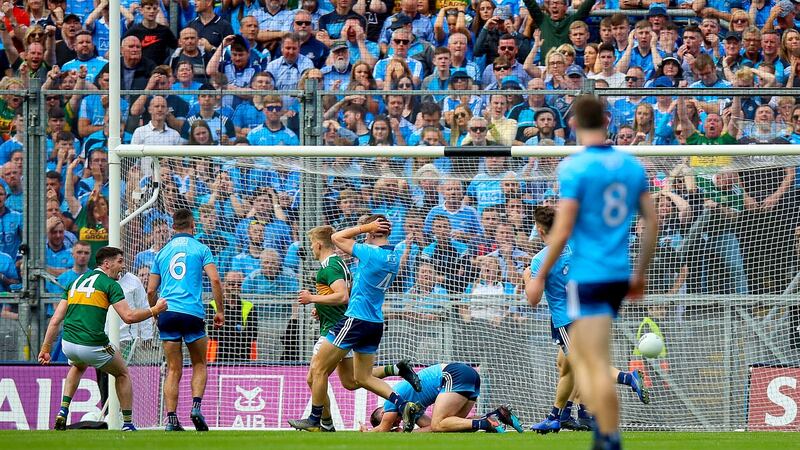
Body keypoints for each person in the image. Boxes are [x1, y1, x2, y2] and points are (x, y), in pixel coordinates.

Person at [529, 95, 657, 450]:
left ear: (572, 124)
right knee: (582, 360)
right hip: (618, 273)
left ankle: (606, 434)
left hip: (587, 276)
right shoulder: (631, 166)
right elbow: (652, 222)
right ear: (607, 121)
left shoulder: (574, 167)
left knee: (588, 364)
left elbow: (564, 227)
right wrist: (640, 273)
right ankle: (589, 425)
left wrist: (540, 272)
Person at [288, 215, 423, 432]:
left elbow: (336, 237)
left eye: (369, 231)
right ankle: (405, 405)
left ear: (371, 232)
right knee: (361, 378)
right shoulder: (394, 257)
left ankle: (315, 420)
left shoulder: (370, 253)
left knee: (319, 369)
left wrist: (364, 227)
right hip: (375, 322)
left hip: (356, 319)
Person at [525, 206, 650, 435]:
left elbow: (533, 299)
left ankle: (627, 378)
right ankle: (557, 416)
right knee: (566, 366)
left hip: (567, 320)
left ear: (541, 231)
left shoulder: (540, 260)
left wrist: (527, 279)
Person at [38, 246, 168, 431]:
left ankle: (63, 411)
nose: (122, 266)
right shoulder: (110, 284)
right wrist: (154, 310)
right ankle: (128, 424)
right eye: (119, 262)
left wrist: (45, 349)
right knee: (122, 373)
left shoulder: (76, 282)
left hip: (68, 343)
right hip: (92, 344)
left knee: (78, 365)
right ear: (107, 264)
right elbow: (129, 317)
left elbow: (56, 319)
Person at [147, 208, 225, 431]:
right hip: (192, 313)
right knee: (199, 363)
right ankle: (196, 407)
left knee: (173, 369)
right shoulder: (201, 248)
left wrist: (154, 311)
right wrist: (220, 311)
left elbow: (151, 289)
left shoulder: (161, 253)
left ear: (173, 227)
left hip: (168, 312)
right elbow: (216, 280)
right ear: (193, 227)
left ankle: (171, 420)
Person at [366, 363, 523, 433]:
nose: (396, 422)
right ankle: (498, 415)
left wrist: (366, 432)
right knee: (453, 426)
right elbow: (432, 429)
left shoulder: (389, 403)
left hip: (452, 375)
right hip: (468, 375)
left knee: (440, 423)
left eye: (390, 421)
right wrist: (406, 433)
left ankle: (486, 423)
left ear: (382, 414)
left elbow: (383, 429)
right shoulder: (412, 412)